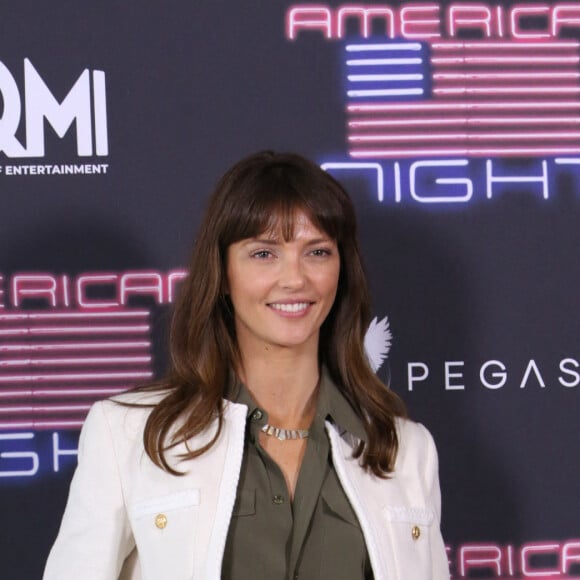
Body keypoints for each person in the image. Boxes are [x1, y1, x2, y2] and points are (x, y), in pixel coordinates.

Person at [44, 151, 450, 580]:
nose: (295, 279)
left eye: (317, 251)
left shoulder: (403, 449)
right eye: (264, 254)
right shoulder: (129, 435)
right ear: (222, 272)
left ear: (341, 270)